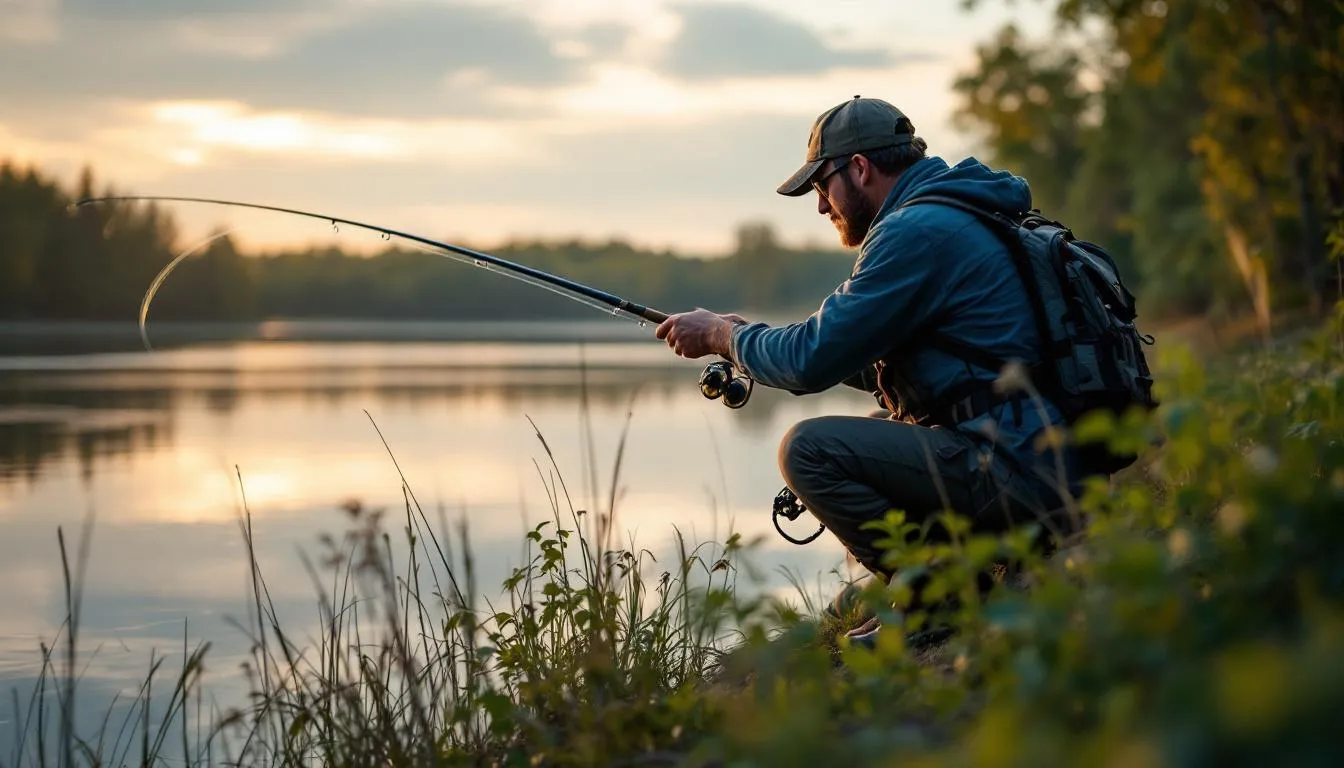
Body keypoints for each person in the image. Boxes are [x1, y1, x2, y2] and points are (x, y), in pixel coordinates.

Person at [655, 96, 1087, 637]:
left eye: (821, 186)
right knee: (885, 425)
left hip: (1020, 471)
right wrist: (746, 339)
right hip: (1042, 457)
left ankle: (941, 595)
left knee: (808, 449)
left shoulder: (913, 232)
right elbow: (870, 359)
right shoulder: (952, 212)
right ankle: (950, 567)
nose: (819, 206)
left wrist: (724, 335)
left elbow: (810, 360)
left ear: (858, 169)